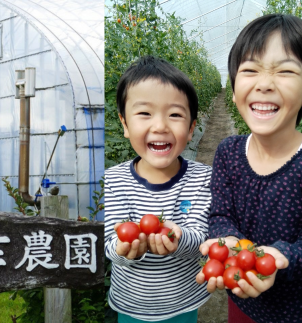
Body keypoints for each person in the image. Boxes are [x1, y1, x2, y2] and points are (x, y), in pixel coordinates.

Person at [195, 13, 302, 323]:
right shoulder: (228, 152)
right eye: (250, 70)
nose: (264, 84)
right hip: (241, 299)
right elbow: (221, 213)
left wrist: (286, 257)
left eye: (285, 71)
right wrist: (226, 240)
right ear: (233, 88)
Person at [104, 56, 212, 323]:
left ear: (191, 129)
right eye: (144, 113)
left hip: (184, 301)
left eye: (175, 114)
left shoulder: (202, 178)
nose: (161, 126)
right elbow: (108, 242)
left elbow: (201, 237)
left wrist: (179, 238)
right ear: (125, 124)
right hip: (130, 304)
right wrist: (124, 248)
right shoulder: (114, 180)